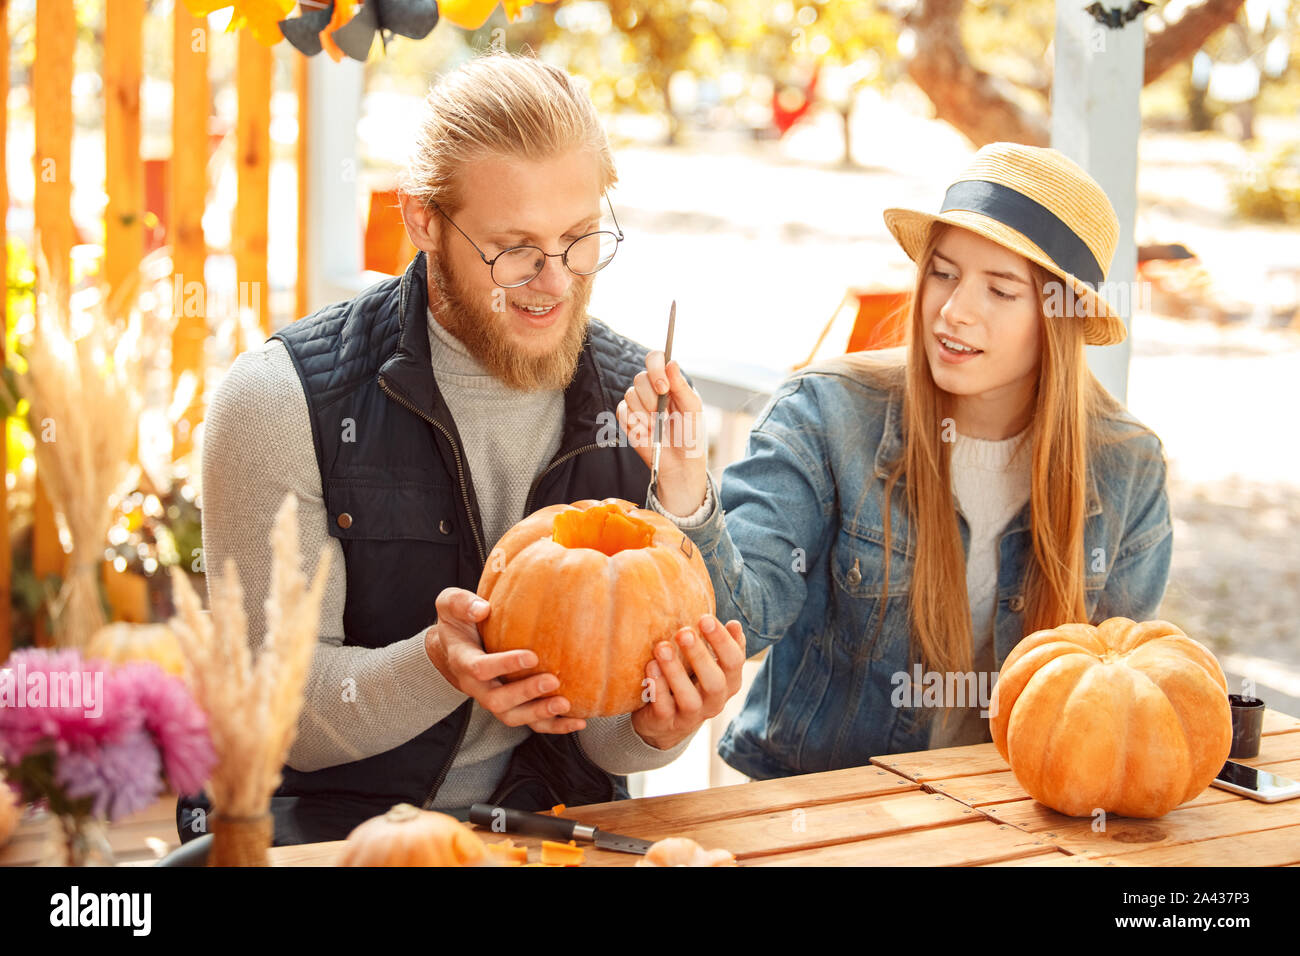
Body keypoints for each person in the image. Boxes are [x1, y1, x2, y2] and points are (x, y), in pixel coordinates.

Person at [181, 52, 746, 846]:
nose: (554, 282)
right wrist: (436, 668)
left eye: (581, 239)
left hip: (546, 832)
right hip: (332, 833)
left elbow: (607, 736)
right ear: (422, 219)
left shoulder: (637, 407)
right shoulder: (279, 400)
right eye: (514, 249)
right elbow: (270, 709)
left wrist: (660, 724)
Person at [620, 143, 1173, 780]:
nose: (954, 311)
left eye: (999, 289)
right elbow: (738, 624)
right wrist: (686, 480)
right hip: (823, 815)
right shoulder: (826, 412)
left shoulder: (1128, 465)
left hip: (1019, 822)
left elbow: (1117, 690)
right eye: (943, 273)